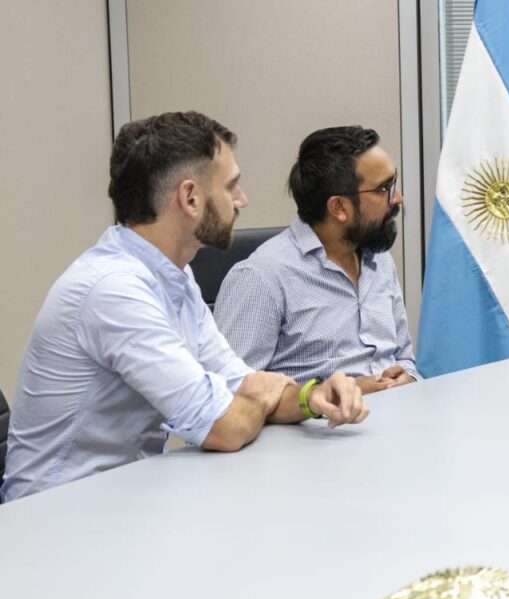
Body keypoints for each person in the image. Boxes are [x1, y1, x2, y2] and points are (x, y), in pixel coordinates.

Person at [1, 112, 368, 502]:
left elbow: (240, 383)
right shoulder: (114, 291)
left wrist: (312, 396)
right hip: (53, 520)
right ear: (190, 198)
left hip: (123, 499)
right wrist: (255, 396)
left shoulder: (173, 276)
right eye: (232, 186)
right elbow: (224, 427)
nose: (242, 199)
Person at [214, 127, 418, 393]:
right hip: (319, 429)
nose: (397, 198)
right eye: (383, 189)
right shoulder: (261, 277)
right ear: (339, 208)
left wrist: (408, 377)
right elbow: (229, 399)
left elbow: (405, 358)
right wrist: (332, 396)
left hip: (396, 421)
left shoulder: (379, 260)